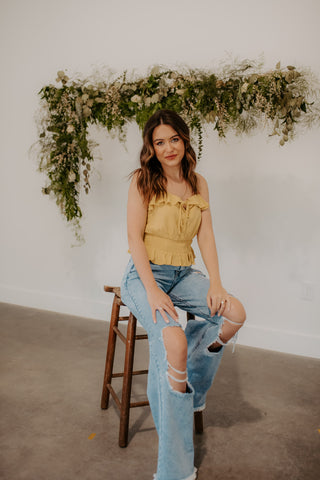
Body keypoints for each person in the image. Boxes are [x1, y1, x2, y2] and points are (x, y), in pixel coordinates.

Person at [120, 109, 246, 480]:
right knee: (171, 341)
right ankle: (175, 471)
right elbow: (133, 241)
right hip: (144, 276)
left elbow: (205, 236)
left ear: (184, 140)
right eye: (160, 142)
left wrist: (217, 282)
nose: (168, 147)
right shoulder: (143, 181)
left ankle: (189, 383)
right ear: (151, 148)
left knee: (233, 313)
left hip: (182, 272)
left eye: (174, 138)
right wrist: (154, 290)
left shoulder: (198, 183)